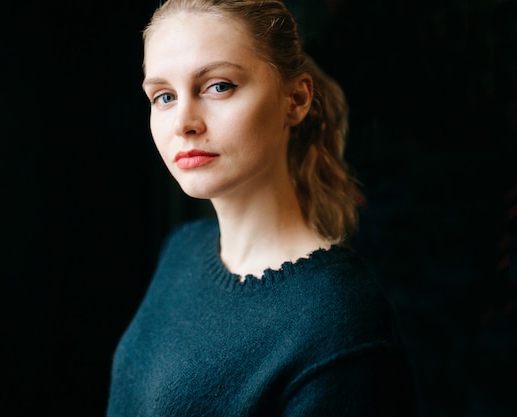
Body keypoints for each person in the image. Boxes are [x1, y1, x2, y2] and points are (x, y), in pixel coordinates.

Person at [107, 0, 417, 415]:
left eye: (218, 86)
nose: (183, 122)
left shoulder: (336, 317)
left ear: (296, 98)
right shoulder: (182, 249)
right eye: (163, 96)